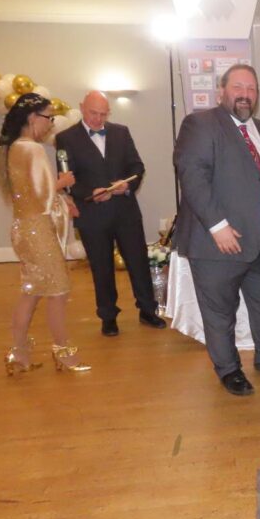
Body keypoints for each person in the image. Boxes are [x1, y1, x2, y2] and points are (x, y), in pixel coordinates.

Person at [173, 64, 260, 396]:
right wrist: (217, 225)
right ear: (221, 91)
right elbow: (192, 176)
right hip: (218, 243)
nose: (245, 94)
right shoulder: (200, 125)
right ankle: (229, 369)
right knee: (220, 312)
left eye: (251, 88)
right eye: (238, 87)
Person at [55, 90, 166, 336]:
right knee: (101, 267)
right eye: (93, 113)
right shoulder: (65, 138)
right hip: (92, 214)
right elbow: (66, 179)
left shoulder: (121, 132)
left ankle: (148, 310)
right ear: (82, 108)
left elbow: (137, 167)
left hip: (125, 211)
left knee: (138, 262)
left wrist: (127, 186)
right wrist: (90, 192)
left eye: (103, 114)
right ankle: (108, 316)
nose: (98, 119)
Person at [0, 93, 90, 373]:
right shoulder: (32, 149)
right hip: (39, 230)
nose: (50, 123)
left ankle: (19, 353)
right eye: (48, 117)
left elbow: (29, 195)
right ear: (33, 118)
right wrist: (62, 182)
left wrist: (61, 198)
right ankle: (63, 352)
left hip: (23, 227)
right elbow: (43, 195)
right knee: (58, 291)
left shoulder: (14, 148)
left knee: (32, 291)